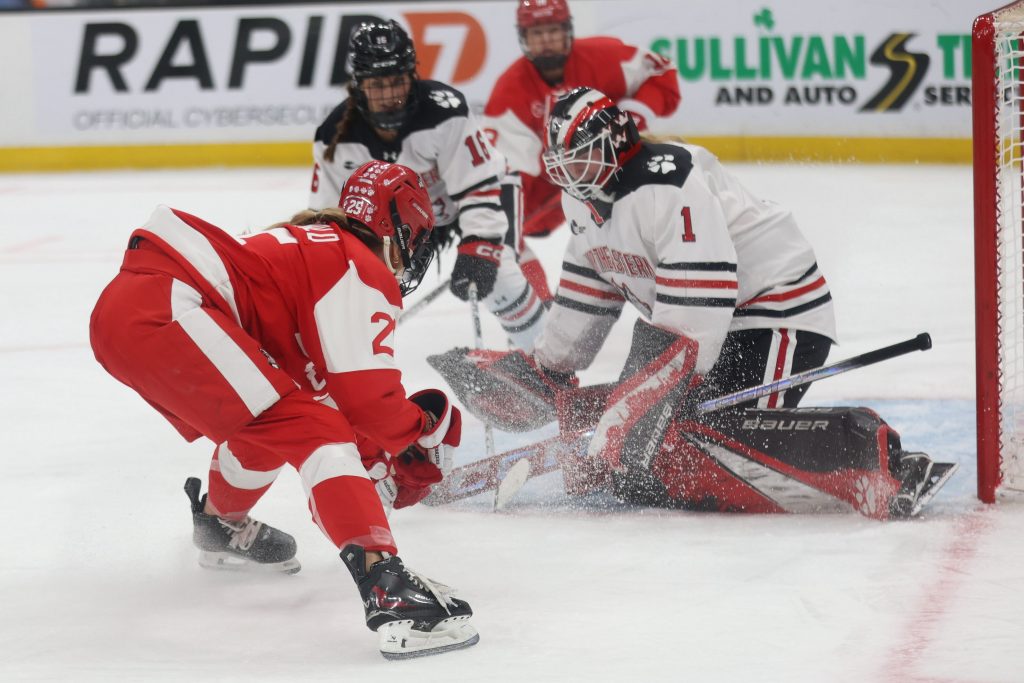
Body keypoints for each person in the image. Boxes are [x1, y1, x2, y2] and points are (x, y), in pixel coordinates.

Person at [430, 87, 958, 518]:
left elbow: (698, 301)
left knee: (697, 441)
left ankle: (875, 458)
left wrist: (647, 405)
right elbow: (588, 287)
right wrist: (549, 369)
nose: (571, 169)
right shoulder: (584, 197)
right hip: (705, 330)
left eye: (582, 153)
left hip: (776, 315)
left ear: (615, 142)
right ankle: (652, 431)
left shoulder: (667, 180)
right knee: (650, 458)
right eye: (564, 159)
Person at [89, 160, 479, 659]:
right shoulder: (358, 264)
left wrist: (377, 452)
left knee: (275, 424)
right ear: (395, 226)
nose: (409, 260)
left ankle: (220, 525)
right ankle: (391, 593)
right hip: (166, 307)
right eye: (414, 241)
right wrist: (421, 428)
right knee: (318, 433)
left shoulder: (316, 248)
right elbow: (369, 405)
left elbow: (332, 399)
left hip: (130, 312)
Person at [309, 19, 547, 351]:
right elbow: (331, 222)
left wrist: (480, 243)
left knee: (500, 275)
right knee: (364, 284)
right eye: (378, 85)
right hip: (415, 222)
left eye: (398, 82)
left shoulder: (443, 111)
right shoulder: (333, 137)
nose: (390, 95)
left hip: (486, 192)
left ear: (412, 76)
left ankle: (551, 365)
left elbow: (478, 186)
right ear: (359, 85)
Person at [483, 0, 682, 298]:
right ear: (524, 38)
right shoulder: (510, 91)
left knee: (657, 206)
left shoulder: (602, 57)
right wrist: (503, 231)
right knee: (499, 225)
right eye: (537, 33)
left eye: (553, 30)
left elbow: (661, 74)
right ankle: (537, 310)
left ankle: (679, 273)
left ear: (568, 30)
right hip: (553, 178)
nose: (546, 40)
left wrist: (634, 115)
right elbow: (512, 177)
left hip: (617, 162)